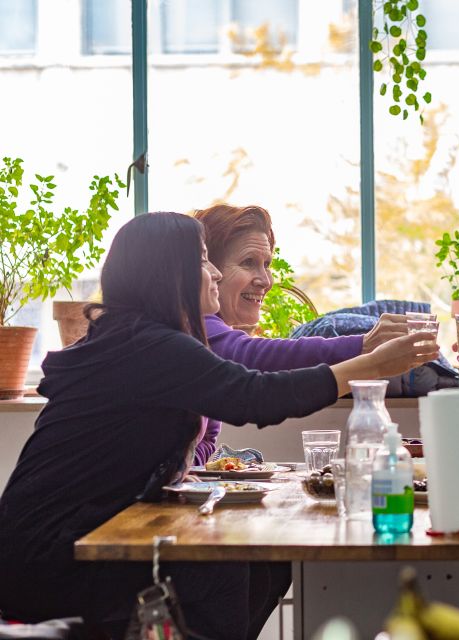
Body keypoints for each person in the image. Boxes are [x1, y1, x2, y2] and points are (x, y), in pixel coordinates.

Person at [0, 212, 436, 639]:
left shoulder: (138, 339)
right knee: (221, 567)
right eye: (203, 259)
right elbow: (255, 395)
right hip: (50, 556)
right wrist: (370, 364)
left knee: (264, 558)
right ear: (168, 273)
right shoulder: (150, 345)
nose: (212, 272)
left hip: (66, 538)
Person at [190, 204, 408, 464]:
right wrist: (364, 346)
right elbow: (248, 355)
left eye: (266, 264)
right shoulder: (194, 323)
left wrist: (192, 467)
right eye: (248, 263)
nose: (266, 280)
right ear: (207, 269)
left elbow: (206, 442)